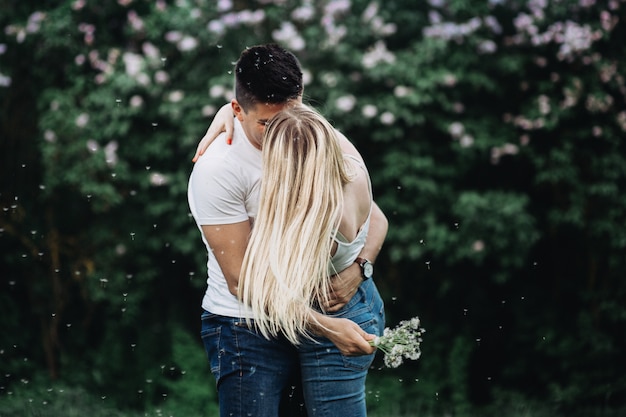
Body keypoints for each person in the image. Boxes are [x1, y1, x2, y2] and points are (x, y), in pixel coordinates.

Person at [187, 43, 387, 417]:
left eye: (290, 114)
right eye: (266, 123)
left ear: (300, 100)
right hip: (247, 321)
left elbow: (373, 216)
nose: (282, 133)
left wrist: (359, 268)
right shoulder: (218, 170)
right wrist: (326, 327)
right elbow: (242, 281)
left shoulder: (317, 140)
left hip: (328, 308)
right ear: (237, 110)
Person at [239, 105, 385, 416]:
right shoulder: (351, 168)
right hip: (362, 302)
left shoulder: (321, 223)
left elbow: (267, 293)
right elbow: (380, 219)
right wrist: (229, 112)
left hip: (337, 323)